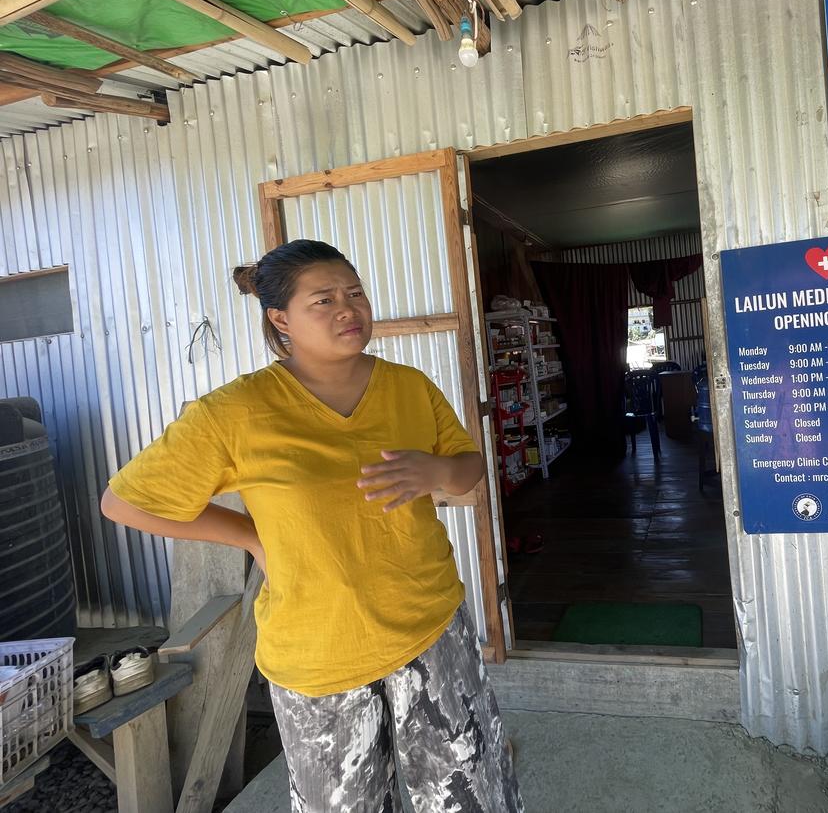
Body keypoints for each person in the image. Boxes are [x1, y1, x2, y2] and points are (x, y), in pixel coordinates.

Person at [100, 239, 523, 813]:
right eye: (323, 300)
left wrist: (438, 470)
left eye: (355, 293)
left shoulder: (409, 387)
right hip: (319, 651)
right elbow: (126, 502)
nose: (349, 309)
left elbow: (467, 467)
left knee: (469, 794)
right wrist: (250, 537)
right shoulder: (234, 413)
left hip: (429, 623)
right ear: (281, 319)